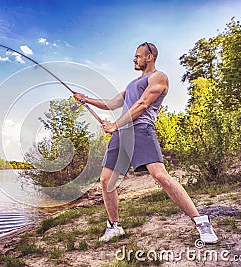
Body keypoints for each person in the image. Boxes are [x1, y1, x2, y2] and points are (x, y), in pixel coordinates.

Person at [73, 42, 218, 243]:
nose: (134, 59)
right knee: (106, 180)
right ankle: (115, 226)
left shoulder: (159, 77)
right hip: (121, 133)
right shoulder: (133, 83)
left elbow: (143, 104)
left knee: (160, 175)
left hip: (141, 129)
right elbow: (113, 103)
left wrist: (115, 124)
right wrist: (86, 99)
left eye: (138, 56)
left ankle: (201, 221)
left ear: (149, 57)